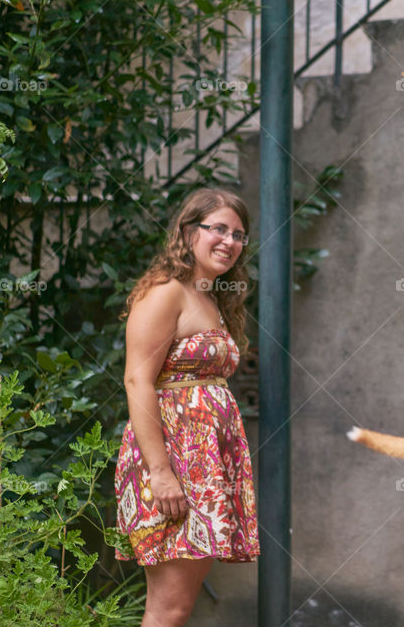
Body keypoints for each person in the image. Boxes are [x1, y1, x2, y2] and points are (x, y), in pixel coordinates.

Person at [114, 188, 259, 627]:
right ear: (187, 232)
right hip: (173, 465)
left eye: (238, 234)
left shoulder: (213, 300)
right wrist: (161, 474)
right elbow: (137, 379)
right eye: (218, 228)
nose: (230, 241)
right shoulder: (166, 292)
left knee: (177, 609)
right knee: (169, 610)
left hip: (203, 467)